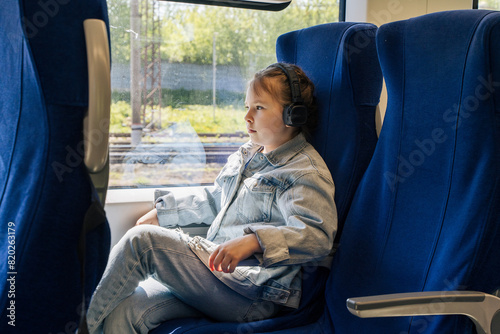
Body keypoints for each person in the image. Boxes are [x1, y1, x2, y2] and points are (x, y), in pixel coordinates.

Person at [85, 63, 337, 334]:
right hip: (219, 278)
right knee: (126, 311)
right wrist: (165, 212)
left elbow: (316, 236)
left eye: (259, 108)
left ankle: (77, 327)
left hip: (253, 293)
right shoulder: (248, 154)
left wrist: (254, 241)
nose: (247, 117)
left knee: (143, 243)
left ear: (293, 115)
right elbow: (216, 198)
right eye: (246, 107)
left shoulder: (303, 171)